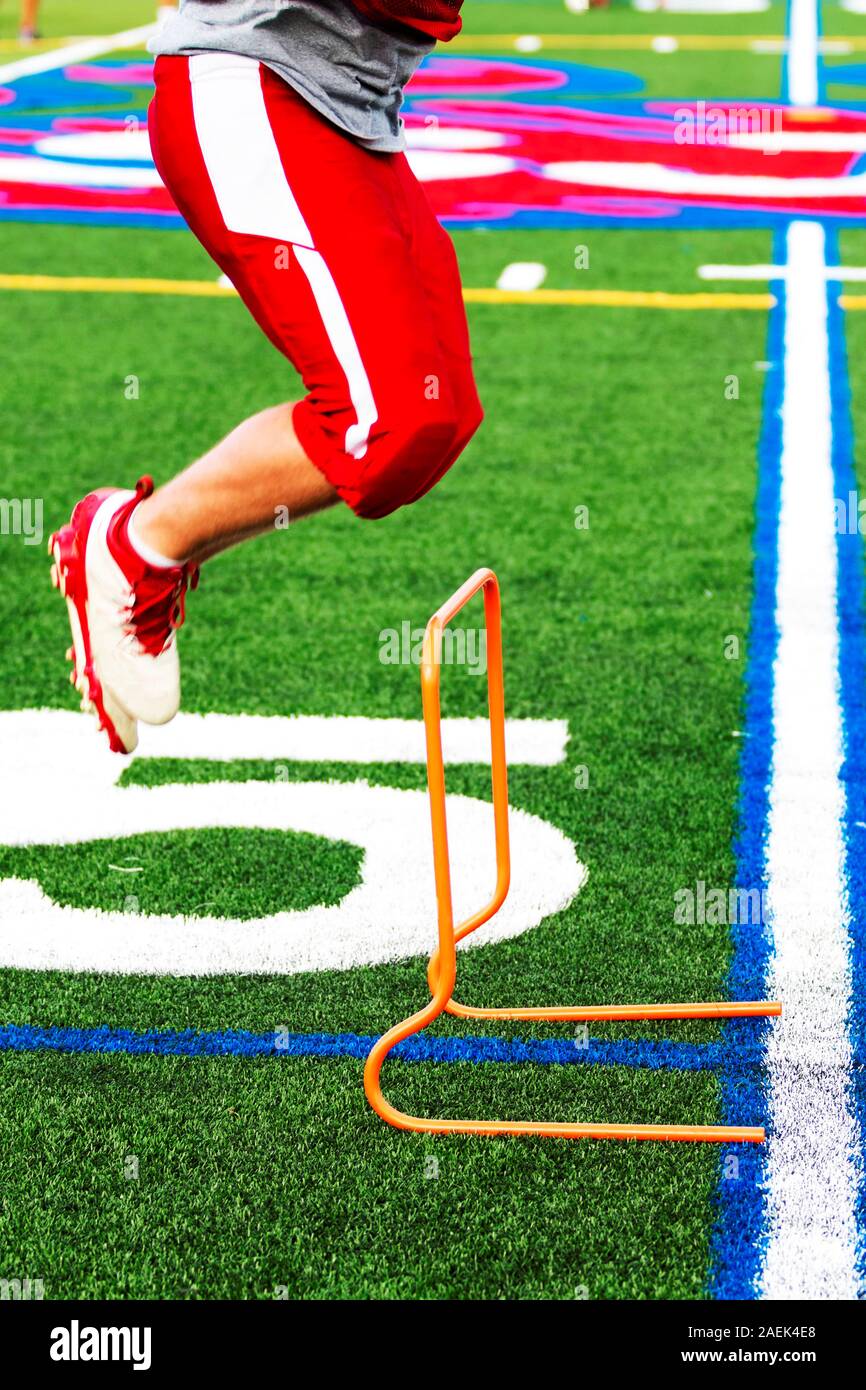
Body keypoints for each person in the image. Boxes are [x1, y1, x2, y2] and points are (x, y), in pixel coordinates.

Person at [49, 1, 482, 754]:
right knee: (386, 418)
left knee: (433, 416)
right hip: (258, 82)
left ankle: (147, 549)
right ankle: (138, 546)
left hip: (354, 104)